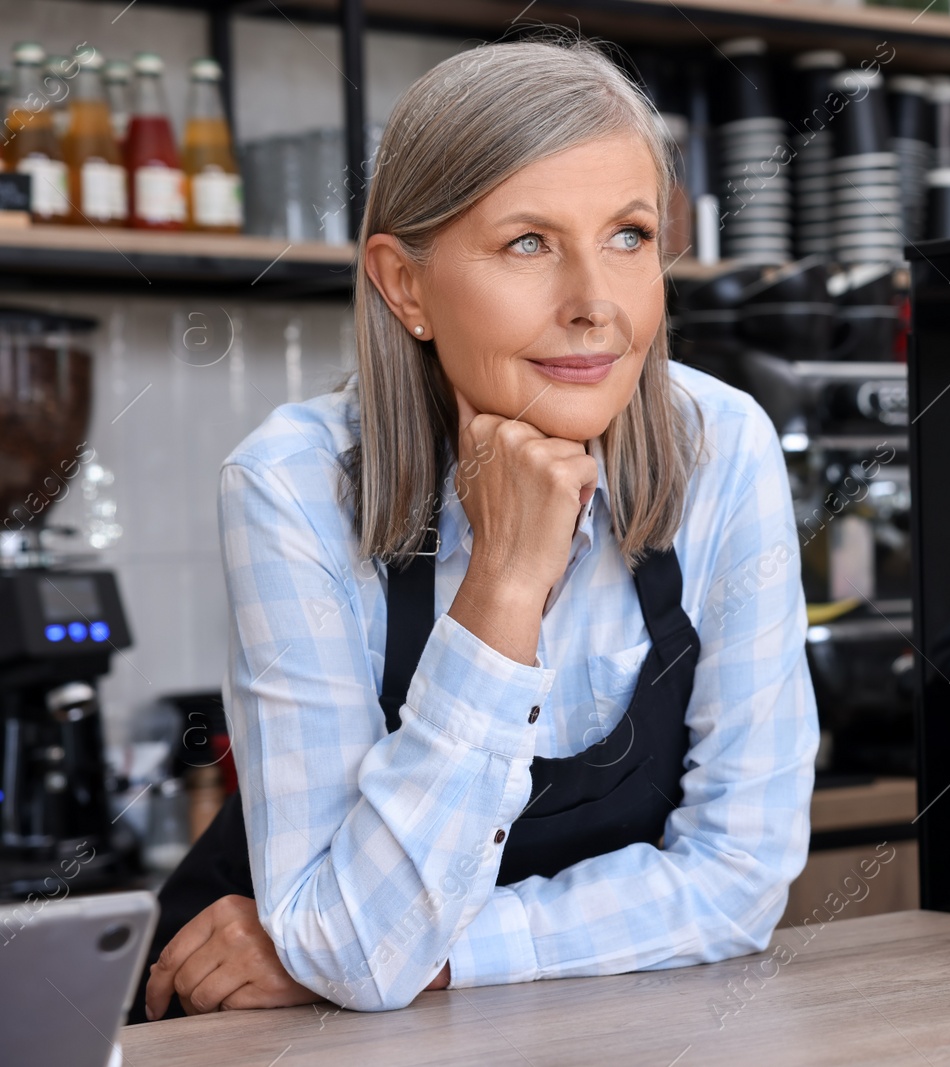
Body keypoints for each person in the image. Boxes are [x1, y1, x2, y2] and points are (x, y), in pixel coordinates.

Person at [135, 38, 818, 1020]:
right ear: (404, 286)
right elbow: (358, 953)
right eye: (529, 243)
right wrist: (503, 577)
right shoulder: (291, 486)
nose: (595, 305)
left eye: (627, 235)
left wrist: (431, 955)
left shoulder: (722, 446)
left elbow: (741, 877)